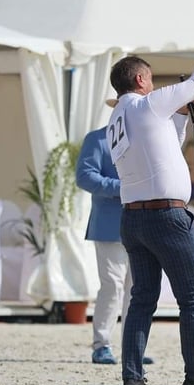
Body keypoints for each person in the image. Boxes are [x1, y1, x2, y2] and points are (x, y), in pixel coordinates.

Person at [107, 55, 194, 385]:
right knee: (192, 297)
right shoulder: (147, 105)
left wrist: (183, 115)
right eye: (152, 79)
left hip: (133, 217)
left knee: (142, 299)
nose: (155, 85)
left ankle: (132, 380)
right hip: (167, 217)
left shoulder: (119, 117)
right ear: (142, 79)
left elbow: (167, 143)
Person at [76, 105, 154, 366]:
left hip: (142, 222)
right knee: (112, 286)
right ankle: (102, 344)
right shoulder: (97, 139)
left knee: (137, 289)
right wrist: (123, 188)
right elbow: (85, 177)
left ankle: (133, 347)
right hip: (110, 225)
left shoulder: (144, 139)